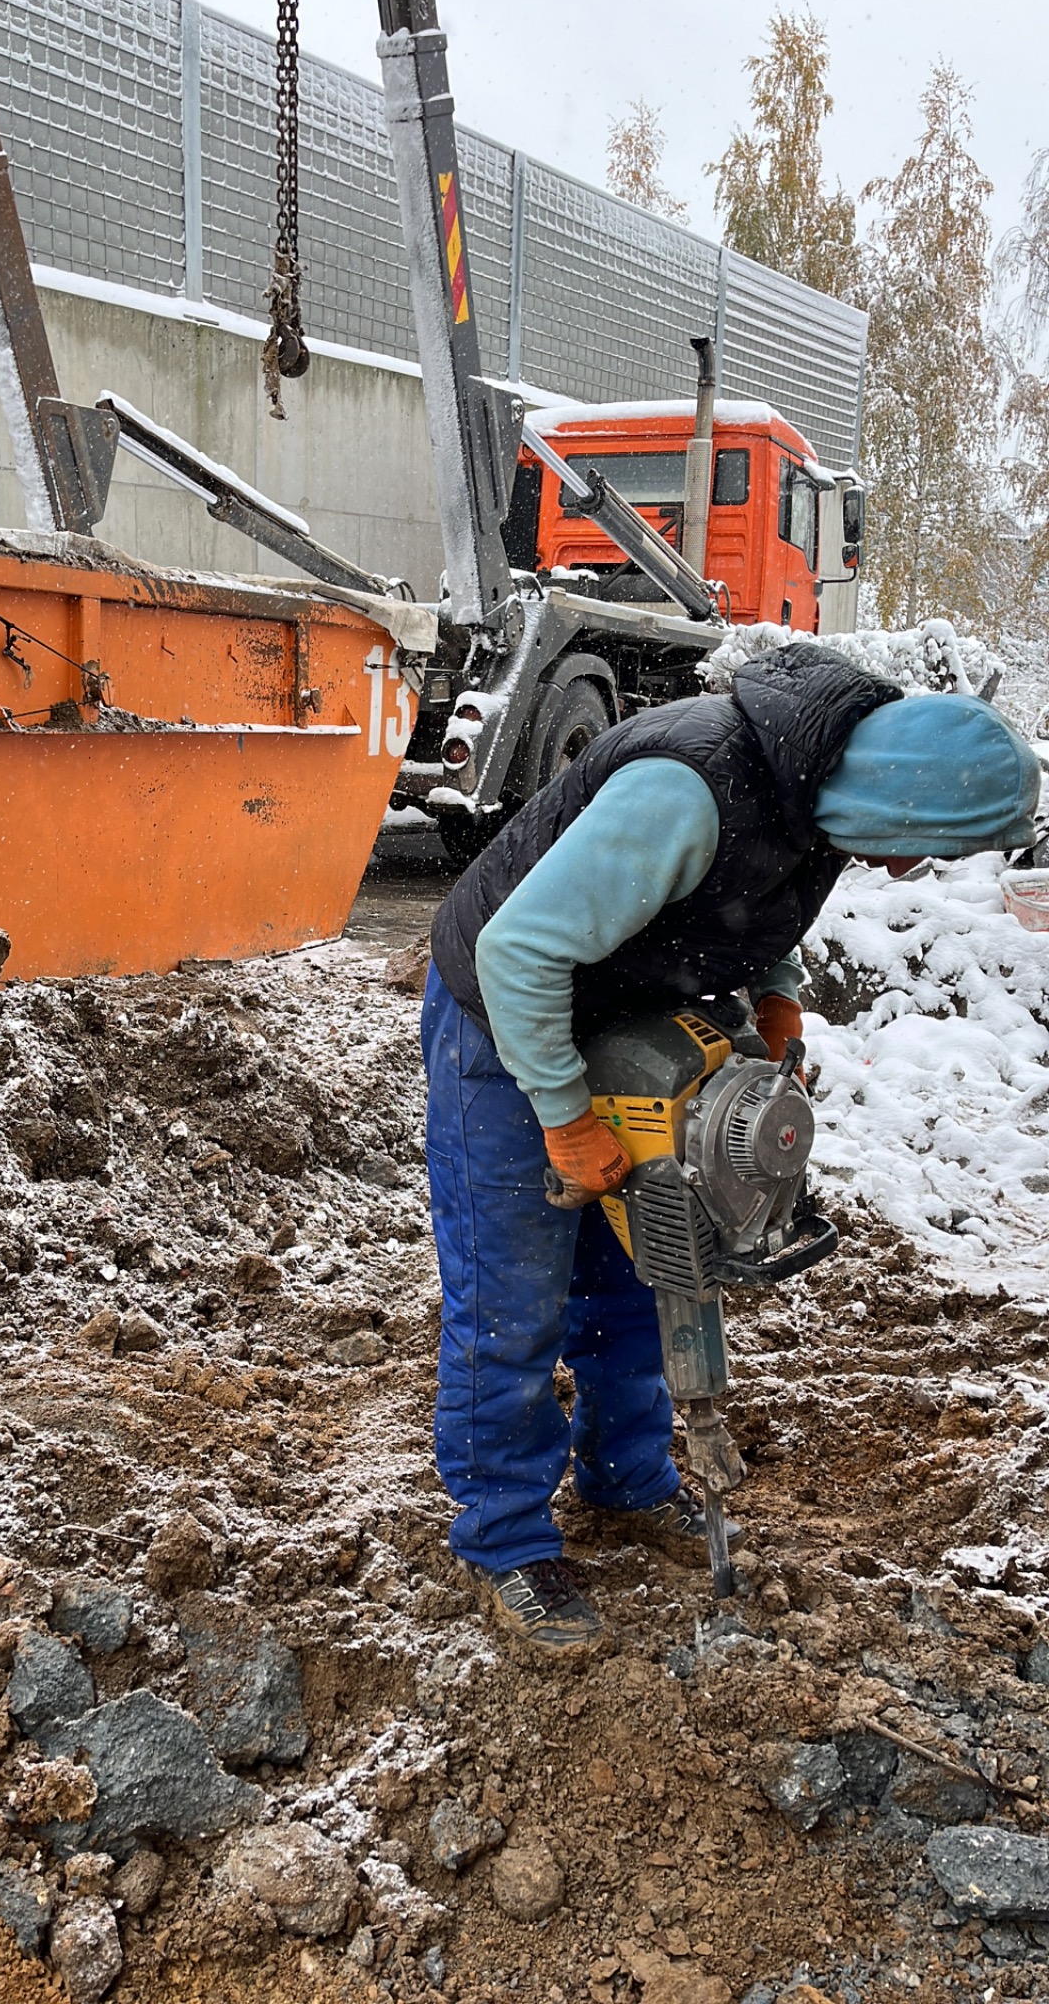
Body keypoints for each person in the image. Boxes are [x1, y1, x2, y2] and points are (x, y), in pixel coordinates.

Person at [420, 643, 1041, 1655]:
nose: (905, 869)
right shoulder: (686, 791)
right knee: (514, 1294)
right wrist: (567, 1118)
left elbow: (756, 906)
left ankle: (628, 1481)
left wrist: (778, 1001)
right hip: (507, 1016)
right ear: (887, 799)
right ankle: (504, 1540)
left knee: (637, 1270)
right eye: (916, 845)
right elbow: (517, 951)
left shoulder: (820, 789)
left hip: (631, 1012)